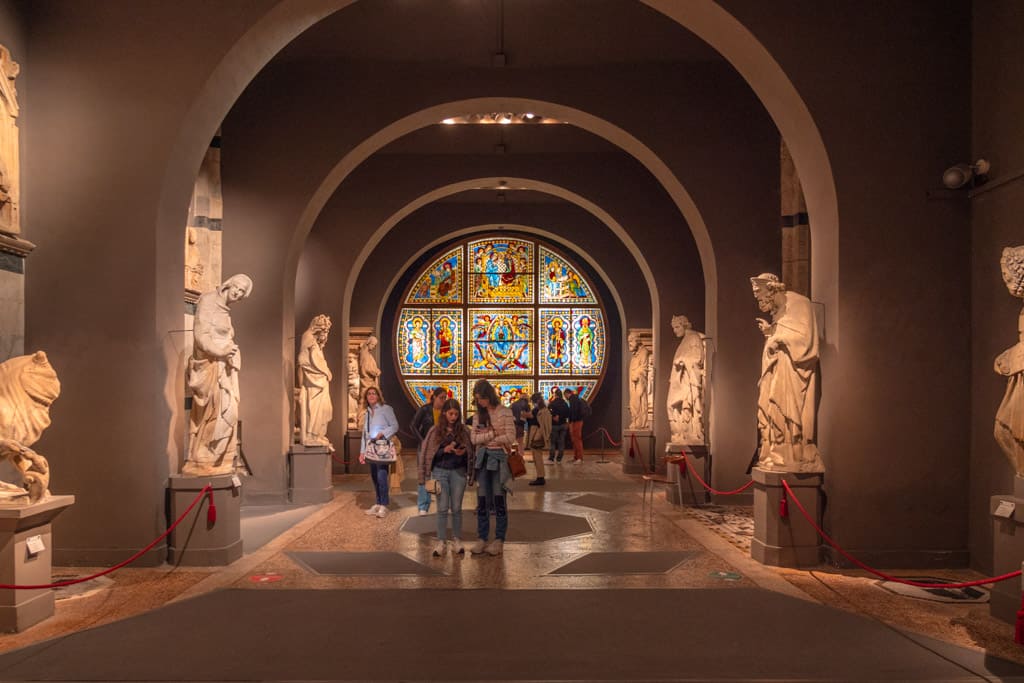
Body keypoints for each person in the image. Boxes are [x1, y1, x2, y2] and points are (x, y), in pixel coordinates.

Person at [184, 274, 253, 476]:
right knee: (215, 410)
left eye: (241, 293)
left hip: (225, 367)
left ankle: (217, 457)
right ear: (229, 283)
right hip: (210, 367)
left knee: (230, 409)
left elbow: (226, 337)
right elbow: (200, 335)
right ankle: (203, 457)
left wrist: (230, 353)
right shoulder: (208, 301)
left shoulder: (225, 311)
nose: (237, 294)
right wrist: (220, 351)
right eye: (237, 288)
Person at [419, 398, 474, 556]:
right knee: (442, 508)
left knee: (456, 508)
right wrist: (445, 450)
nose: (453, 417)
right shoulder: (435, 431)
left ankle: (457, 540)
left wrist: (463, 452)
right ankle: (441, 541)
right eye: (450, 414)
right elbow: (428, 453)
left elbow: (471, 452)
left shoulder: (464, 431)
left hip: (459, 472)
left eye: (456, 414)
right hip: (440, 472)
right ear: (444, 413)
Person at [469, 379, 515, 556]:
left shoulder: (505, 412)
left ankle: (499, 539)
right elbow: (474, 439)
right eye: (477, 399)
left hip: (499, 460)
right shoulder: (477, 416)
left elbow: (510, 436)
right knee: (482, 501)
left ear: (489, 395)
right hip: (483, 460)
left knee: (498, 499)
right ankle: (481, 538)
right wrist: (494, 434)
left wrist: (489, 438)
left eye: (481, 398)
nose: (479, 402)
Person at [358, 386, 399, 518]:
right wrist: (362, 452)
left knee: (382, 476)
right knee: (375, 476)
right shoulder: (367, 413)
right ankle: (378, 502)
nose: (371, 396)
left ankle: (384, 505)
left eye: (374, 393)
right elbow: (365, 434)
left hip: (382, 448)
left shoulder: (386, 409)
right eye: (369, 394)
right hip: (371, 449)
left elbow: (395, 426)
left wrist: (383, 433)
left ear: (378, 396)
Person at [297, 314, 333, 449]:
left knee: (325, 409)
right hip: (315, 383)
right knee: (315, 409)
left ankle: (317, 435)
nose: (325, 334)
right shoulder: (308, 337)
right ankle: (312, 435)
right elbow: (303, 360)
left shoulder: (315, 343)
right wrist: (324, 372)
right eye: (324, 330)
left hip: (320, 382)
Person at [410, 387, 448, 516]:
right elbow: (413, 426)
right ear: (434, 397)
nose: (443, 400)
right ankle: (423, 505)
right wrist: (422, 441)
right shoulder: (425, 410)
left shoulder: (445, 412)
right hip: (426, 446)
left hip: (440, 447)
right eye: (441, 397)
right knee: (424, 474)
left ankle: (441, 504)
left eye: (445, 398)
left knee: (439, 475)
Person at [524, 392, 551, 486]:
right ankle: (540, 476)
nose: (533, 403)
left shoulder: (541, 410)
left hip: (537, 433)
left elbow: (543, 425)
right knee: (536, 456)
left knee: (537, 456)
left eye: (533, 401)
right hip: (535, 432)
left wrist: (539, 436)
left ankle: (540, 477)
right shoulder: (541, 410)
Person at [547, 388, 570, 464]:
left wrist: (554, 416)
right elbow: (567, 413)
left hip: (554, 425)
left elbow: (548, 410)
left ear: (555, 395)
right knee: (561, 442)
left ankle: (551, 458)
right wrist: (562, 418)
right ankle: (559, 459)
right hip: (563, 424)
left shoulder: (553, 403)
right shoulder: (565, 404)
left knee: (553, 442)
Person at [565, 388, 586, 464]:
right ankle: (576, 457)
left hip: (576, 422)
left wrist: (571, 421)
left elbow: (574, 411)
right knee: (574, 440)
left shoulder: (573, 399)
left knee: (577, 439)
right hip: (576, 421)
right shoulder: (575, 398)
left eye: (565, 396)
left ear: (567, 394)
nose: (565, 398)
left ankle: (579, 458)